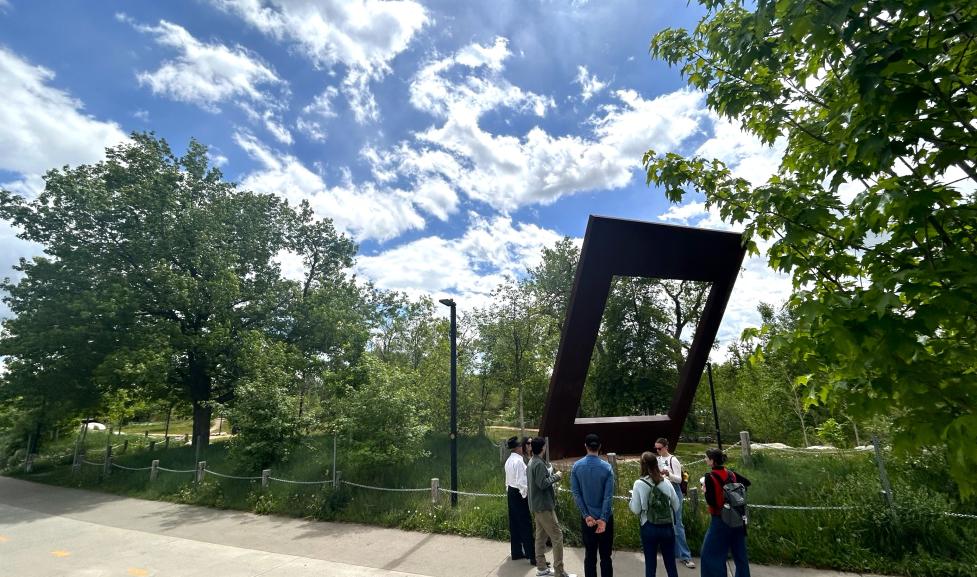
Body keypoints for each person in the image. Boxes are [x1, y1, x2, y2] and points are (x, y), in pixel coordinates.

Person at [700, 448, 751, 577]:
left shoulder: (709, 477)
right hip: (737, 517)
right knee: (740, 554)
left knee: (710, 554)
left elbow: (713, 502)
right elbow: (747, 483)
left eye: (706, 458)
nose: (705, 460)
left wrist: (705, 490)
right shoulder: (731, 474)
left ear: (712, 461)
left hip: (720, 519)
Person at [570, 433, 615, 577]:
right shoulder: (607, 468)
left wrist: (586, 515)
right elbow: (608, 496)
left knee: (590, 556)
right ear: (600, 447)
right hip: (605, 519)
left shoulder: (576, 467)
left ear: (585, 446)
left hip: (588, 519)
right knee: (606, 557)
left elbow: (576, 494)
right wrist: (603, 518)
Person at [629, 452, 680, 577]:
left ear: (642, 465)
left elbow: (636, 509)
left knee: (650, 564)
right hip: (667, 526)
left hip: (648, 525)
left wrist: (630, 501)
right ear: (656, 464)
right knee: (670, 563)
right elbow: (676, 505)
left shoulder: (639, 484)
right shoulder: (666, 482)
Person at [527, 437, 571, 577]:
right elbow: (542, 483)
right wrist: (556, 476)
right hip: (544, 506)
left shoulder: (532, 461)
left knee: (540, 537)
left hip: (536, 505)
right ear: (542, 448)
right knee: (557, 536)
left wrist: (550, 473)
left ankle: (541, 567)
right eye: (545, 446)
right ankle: (559, 570)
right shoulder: (538, 464)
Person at [655, 438, 695, 569]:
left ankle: (685, 556)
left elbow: (679, 479)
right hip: (663, 490)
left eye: (660, 448)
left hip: (674, 491)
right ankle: (671, 551)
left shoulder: (673, 460)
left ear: (666, 447)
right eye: (656, 448)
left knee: (677, 524)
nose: (658, 450)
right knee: (666, 523)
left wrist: (669, 474)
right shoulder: (658, 459)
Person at [504, 436, 535, 563]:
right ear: (517, 448)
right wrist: (526, 496)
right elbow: (522, 482)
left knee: (514, 523)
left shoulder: (509, 461)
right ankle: (532, 556)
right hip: (518, 493)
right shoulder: (519, 462)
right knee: (526, 524)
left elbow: (508, 479)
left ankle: (516, 551)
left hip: (511, 491)